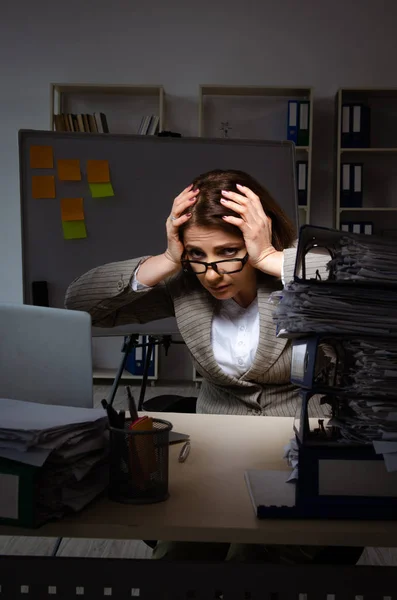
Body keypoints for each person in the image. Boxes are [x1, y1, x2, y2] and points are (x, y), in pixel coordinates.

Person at [65, 169, 362, 564]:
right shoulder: (187, 284)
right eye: (197, 256)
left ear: (256, 238)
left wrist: (271, 259)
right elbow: (80, 302)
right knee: (177, 554)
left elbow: (367, 293)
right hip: (214, 458)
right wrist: (169, 259)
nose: (213, 273)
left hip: (302, 455)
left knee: (249, 557)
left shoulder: (302, 272)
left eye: (227, 252)